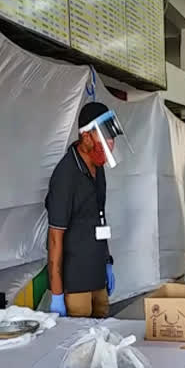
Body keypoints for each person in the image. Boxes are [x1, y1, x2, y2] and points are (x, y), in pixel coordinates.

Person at [45, 102, 129, 318]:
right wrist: (56, 293)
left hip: (97, 274)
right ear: (86, 137)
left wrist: (107, 262)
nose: (110, 144)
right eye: (105, 136)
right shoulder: (66, 176)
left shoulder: (98, 169)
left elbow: (99, 218)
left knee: (101, 339)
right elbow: (55, 238)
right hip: (76, 284)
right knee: (80, 344)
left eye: (112, 138)